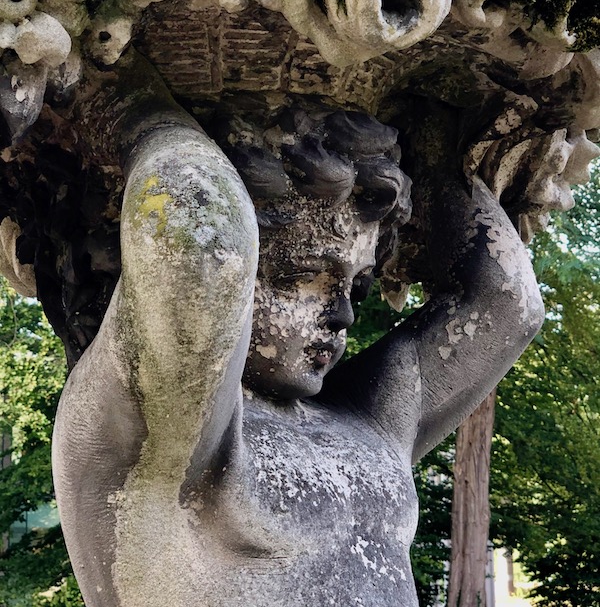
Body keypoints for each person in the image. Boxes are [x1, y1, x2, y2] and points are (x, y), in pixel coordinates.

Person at [52, 61, 544, 607]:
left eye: (355, 286)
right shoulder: (162, 422)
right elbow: (200, 243)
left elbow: (505, 304)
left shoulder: (371, 421)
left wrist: (432, 132)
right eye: (301, 278)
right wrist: (119, 94)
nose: (343, 316)